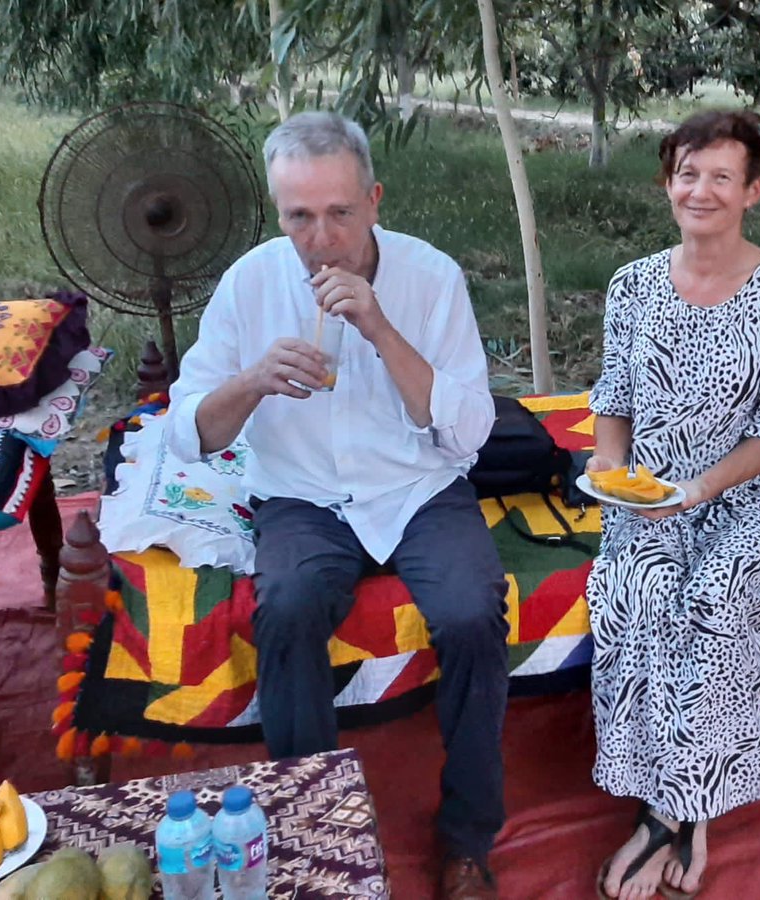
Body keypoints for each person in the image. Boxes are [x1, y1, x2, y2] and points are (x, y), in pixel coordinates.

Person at [164, 111, 508, 900]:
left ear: (375, 200)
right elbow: (189, 434)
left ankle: (466, 838)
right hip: (303, 492)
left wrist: (381, 327)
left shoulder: (430, 277)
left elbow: (471, 434)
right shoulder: (252, 282)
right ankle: (311, 825)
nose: (321, 239)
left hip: (417, 486)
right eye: (300, 217)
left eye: (340, 214)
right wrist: (251, 380)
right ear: (278, 212)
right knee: (284, 605)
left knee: (470, 609)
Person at [584, 110, 760, 900]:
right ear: (666, 183)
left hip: (753, 498)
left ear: (752, 192)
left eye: (720, 176)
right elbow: (612, 399)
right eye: (686, 172)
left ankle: (669, 814)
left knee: (715, 596)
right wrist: (611, 470)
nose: (699, 190)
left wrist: (699, 492)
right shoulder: (633, 284)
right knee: (639, 592)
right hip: (651, 495)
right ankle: (686, 805)